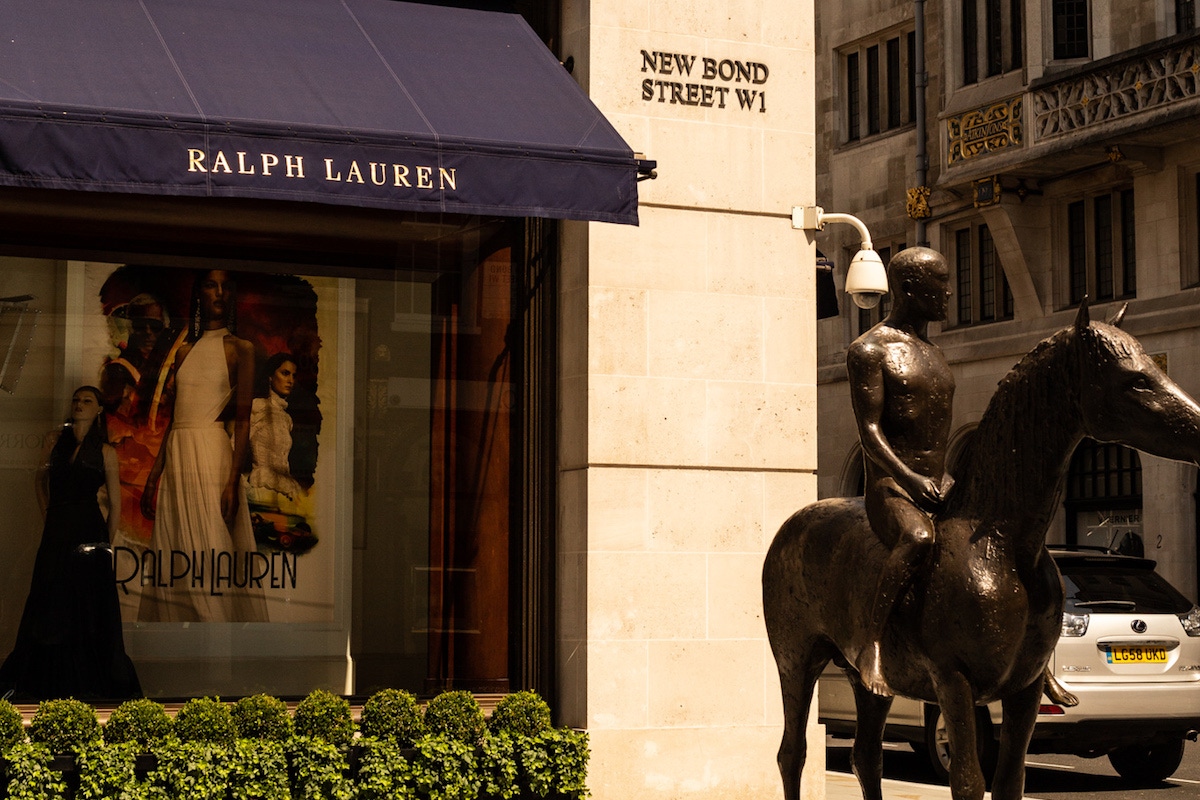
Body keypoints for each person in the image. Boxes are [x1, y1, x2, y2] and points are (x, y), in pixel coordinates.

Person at [846, 246, 955, 697]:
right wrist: (909, 479)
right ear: (910, 289)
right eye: (939, 283)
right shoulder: (868, 349)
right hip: (892, 487)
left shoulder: (933, 352)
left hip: (937, 483)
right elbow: (869, 431)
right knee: (919, 538)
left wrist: (944, 478)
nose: (949, 292)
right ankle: (872, 643)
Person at [138, 269, 267, 622]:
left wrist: (231, 481)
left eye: (226, 287)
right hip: (180, 453)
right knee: (175, 551)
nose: (219, 293)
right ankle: (176, 653)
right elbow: (176, 420)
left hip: (212, 453)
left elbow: (241, 421)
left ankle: (220, 653)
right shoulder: (183, 352)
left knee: (212, 552)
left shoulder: (241, 349)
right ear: (200, 294)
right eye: (211, 285)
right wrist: (154, 475)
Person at [0, 386, 142, 700]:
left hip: (90, 529)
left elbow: (116, 504)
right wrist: (48, 513)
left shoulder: (105, 451)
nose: (79, 405)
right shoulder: (54, 440)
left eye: (87, 401)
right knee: (51, 594)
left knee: (89, 601)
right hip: (58, 526)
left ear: (99, 410)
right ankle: (44, 675)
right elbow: (39, 480)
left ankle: (92, 676)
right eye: (76, 400)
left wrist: (107, 541)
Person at [247, 353, 303, 500]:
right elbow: (234, 445)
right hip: (263, 486)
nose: (290, 380)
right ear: (271, 376)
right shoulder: (259, 406)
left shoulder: (286, 418)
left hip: (285, 489)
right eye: (285, 373)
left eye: (293, 375)